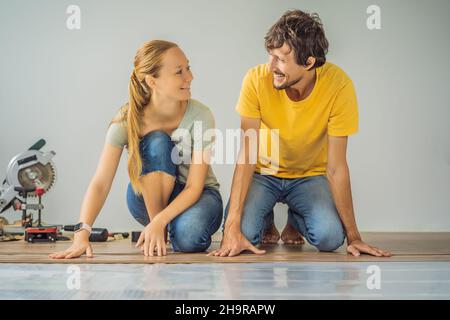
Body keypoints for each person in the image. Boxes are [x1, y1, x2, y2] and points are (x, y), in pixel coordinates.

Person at [209, 10, 391, 258]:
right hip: (264, 172)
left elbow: (336, 167)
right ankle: (265, 217)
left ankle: (296, 217)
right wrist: (231, 227)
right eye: (270, 56)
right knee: (244, 234)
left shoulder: (339, 86)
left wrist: (354, 237)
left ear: (309, 62)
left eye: (281, 59)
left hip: (310, 176)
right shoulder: (255, 80)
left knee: (330, 238)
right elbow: (247, 154)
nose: (271, 66)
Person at [50, 40, 222, 259]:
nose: (190, 77)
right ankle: (159, 226)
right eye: (179, 72)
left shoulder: (201, 115)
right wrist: (81, 234)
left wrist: (159, 222)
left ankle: (162, 227)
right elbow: (101, 182)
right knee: (157, 140)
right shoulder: (126, 119)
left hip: (198, 195)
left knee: (189, 238)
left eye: (188, 67)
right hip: (145, 199)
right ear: (152, 81)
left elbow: (195, 186)